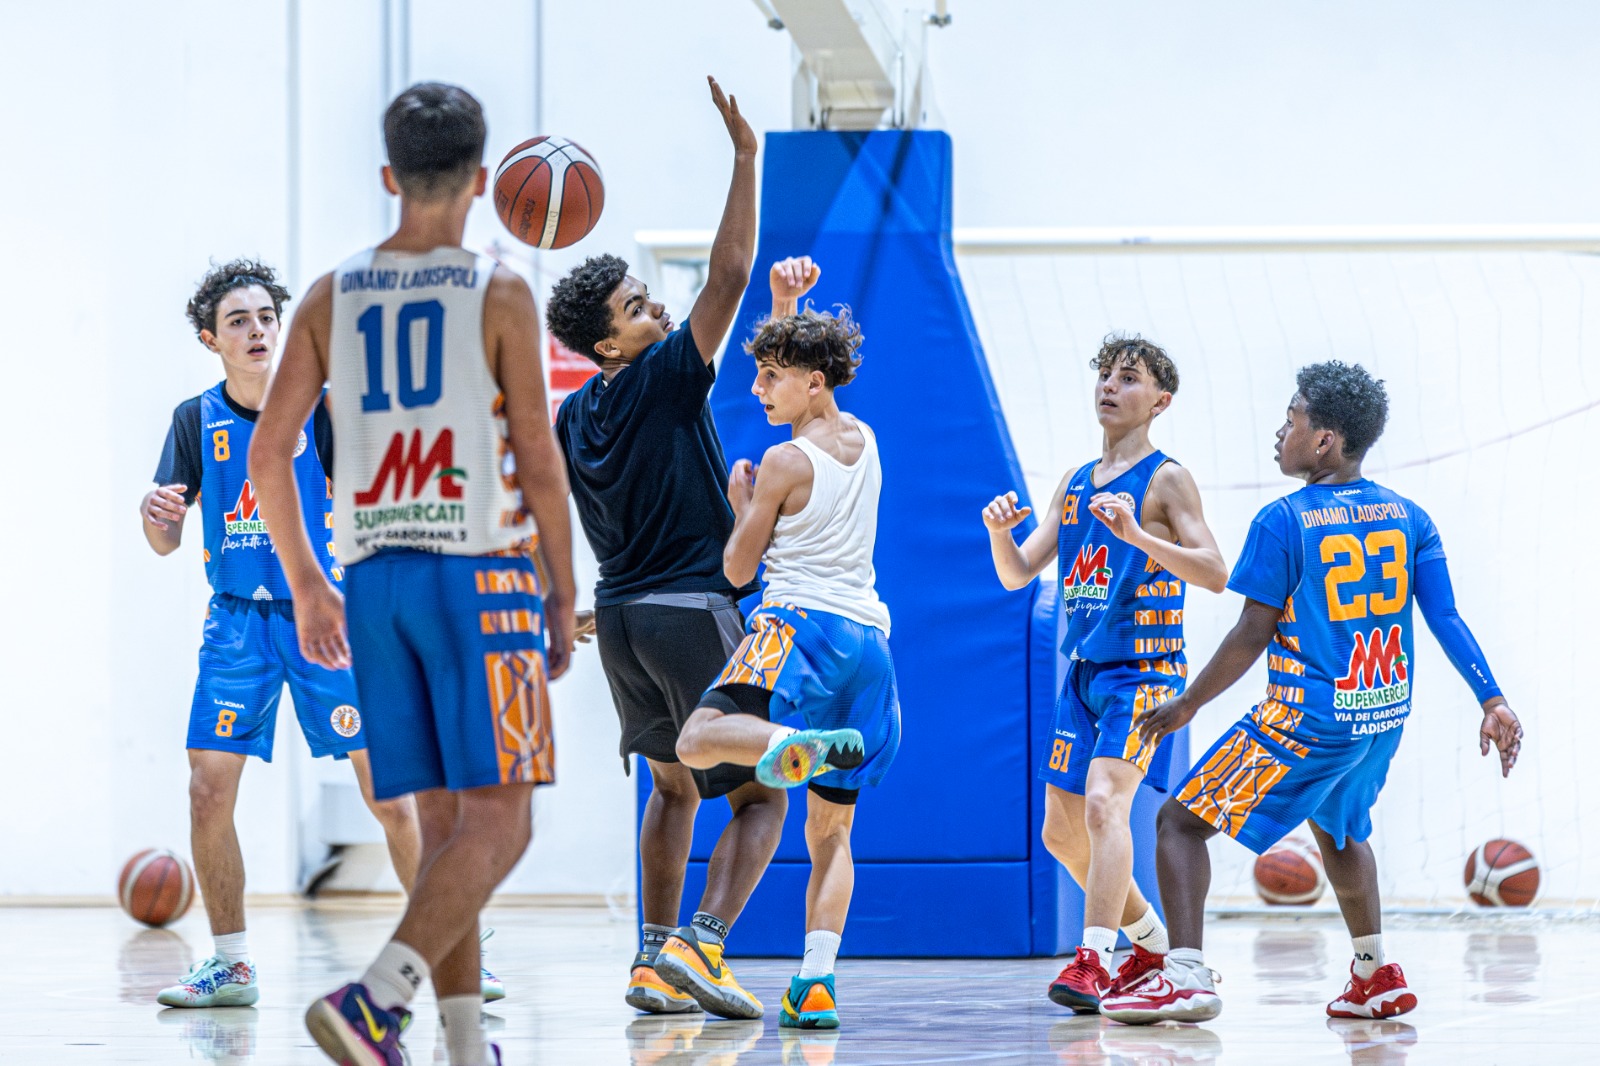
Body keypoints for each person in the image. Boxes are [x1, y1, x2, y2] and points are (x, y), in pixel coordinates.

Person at [249, 82, 576, 1066]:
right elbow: (538, 452)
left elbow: (269, 452)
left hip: (375, 582)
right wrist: (563, 586)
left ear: (390, 176)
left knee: (443, 831)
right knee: (503, 824)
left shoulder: (329, 294)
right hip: (479, 574)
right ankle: (374, 1002)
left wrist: (308, 582)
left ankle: (464, 1044)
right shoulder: (499, 292)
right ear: (483, 180)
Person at [1100, 360, 1524, 1024]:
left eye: (1291, 420)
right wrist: (1492, 699)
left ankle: (1183, 975)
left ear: (1324, 440)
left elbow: (1251, 633)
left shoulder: (1284, 521)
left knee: (1178, 824)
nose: (1280, 432)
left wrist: (1188, 704)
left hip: (1304, 719)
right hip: (1380, 717)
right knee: (1340, 830)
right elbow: (1444, 616)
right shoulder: (1410, 517)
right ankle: (1374, 975)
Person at [547, 169, 816, 1022]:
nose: (656, 309)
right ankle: (700, 946)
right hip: (694, 611)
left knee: (672, 790)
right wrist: (745, 155)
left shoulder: (572, 415)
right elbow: (728, 273)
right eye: (635, 307)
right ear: (609, 346)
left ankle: (650, 960)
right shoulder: (663, 374)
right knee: (763, 795)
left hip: (622, 622)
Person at [141, 259, 420, 1010]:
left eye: (266, 316)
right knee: (207, 790)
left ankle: (453, 946)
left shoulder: (327, 411)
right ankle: (231, 965)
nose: (258, 330)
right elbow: (165, 541)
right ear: (211, 340)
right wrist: (154, 518)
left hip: (327, 617)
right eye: (239, 321)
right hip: (237, 625)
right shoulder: (194, 419)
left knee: (390, 792)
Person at [980, 334, 1227, 1013]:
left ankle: (1094, 960)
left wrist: (1140, 538)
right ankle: (1148, 944)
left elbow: (1215, 572)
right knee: (1059, 834)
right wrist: (999, 533)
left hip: (1145, 672)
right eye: (1106, 376)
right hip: (1085, 676)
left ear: (1160, 401)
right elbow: (1017, 574)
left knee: (1103, 805)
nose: (1111, 387)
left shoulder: (1167, 479)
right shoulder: (1074, 482)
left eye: (1129, 378)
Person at [674, 305, 899, 1032]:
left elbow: (739, 569)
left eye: (771, 377)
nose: (758, 389)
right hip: (869, 643)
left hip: (798, 625)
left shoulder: (783, 461)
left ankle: (791, 745)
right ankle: (816, 982)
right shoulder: (865, 438)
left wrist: (744, 504)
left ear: (813, 381)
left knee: (696, 739)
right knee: (830, 834)